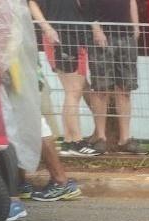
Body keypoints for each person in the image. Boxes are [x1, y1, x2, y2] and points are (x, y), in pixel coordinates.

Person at [27, 0, 101, 156]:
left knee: (73, 91)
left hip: (73, 34)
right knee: (74, 91)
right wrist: (47, 28)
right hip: (63, 34)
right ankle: (76, 142)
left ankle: (69, 141)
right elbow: (32, 3)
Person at [86, 0, 145, 154]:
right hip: (103, 34)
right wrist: (95, 27)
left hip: (126, 35)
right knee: (101, 87)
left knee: (125, 88)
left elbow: (132, 2)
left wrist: (136, 27)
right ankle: (101, 138)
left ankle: (125, 139)